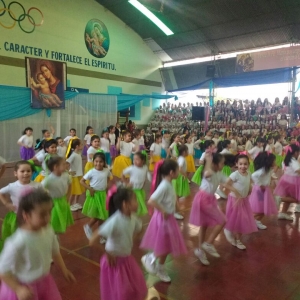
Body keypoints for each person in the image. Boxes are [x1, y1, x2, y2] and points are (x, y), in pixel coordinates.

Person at [0, 188, 75, 299]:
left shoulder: (48, 230)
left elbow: (55, 251)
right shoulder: (16, 242)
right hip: (24, 287)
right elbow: (3, 271)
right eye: (42, 214)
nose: (48, 218)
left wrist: (64, 270)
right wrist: (18, 289)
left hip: (44, 282)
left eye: (50, 212)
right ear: (26, 216)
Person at [89, 186, 147, 300]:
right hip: (114, 263)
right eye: (135, 200)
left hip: (126, 260)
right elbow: (92, 240)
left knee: (135, 288)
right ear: (125, 204)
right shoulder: (114, 221)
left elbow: (140, 229)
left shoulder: (133, 218)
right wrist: (107, 253)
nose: (138, 202)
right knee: (120, 292)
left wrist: (130, 240)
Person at [141, 159, 187, 283]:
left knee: (167, 244)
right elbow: (151, 200)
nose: (179, 172)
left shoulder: (169, 183)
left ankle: (160, 268)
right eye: (178, 170)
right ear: (172, 172)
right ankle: (150, 257)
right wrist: (163, 211)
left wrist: (177, 208)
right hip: (163, 219)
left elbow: (172, 198)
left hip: (169, 218)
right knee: (163, 242)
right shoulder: (164, 185)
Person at [190, 153, 231, 265]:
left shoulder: (219, 172)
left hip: (210, 199)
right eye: (222, 163)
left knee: (204, 225)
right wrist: (208, 161)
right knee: (223, 220)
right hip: (203, 199)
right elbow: (207, 173)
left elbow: (228, 180)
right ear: (215, 164)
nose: (223, 165)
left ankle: (200, 250)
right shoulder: (209, 172)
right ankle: (208, 244)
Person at [0, 161, 41, 250]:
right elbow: (1, 193)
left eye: (28, 171)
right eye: (22, 171)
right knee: (17, 236)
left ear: (32, 172)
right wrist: (6, 203)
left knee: (33, 235)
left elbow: (44, 195)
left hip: (32, 216)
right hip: (17, 216)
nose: (25, 173)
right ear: (15, 173)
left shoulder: (37, 185)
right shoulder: (12, 186)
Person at [224, 155, 258, 250]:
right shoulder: (235, 175)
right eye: (240, 164)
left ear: (248, 164)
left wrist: (250, 189)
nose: (243, 166)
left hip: (244, 200)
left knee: (242, 219)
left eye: (245, 164)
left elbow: (249, 182)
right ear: (236, 164)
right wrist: (235, 191)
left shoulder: (249, 173)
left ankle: (233, 235)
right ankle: (236, 238)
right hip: (235, 200)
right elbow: (226, 184)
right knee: (237, 219)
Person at [80, 152, 111, 242]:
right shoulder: (91, 172)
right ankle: (88, 226)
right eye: (96, 161)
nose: (98, 163)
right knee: (98, 215)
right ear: (93, 162)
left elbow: (108, 177)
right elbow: (81, 181)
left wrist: (106, 187)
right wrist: (90, 189)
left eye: (100, 161)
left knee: (102, 216)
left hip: (102, 194)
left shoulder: (106, 170)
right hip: (94, 195)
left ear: (104, 162)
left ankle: (101, 236)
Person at [42, 156, 74, 234]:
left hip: (62, 201)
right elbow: (40, 189)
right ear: (56, 167)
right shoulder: (48, 180)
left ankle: (55, 238)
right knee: (53, 222)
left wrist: (68, 196)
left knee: (60, 222)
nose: (66, 165)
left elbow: (70, 184)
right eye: (64, 164)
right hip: (53, 203)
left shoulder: (66, 175)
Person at [249, 152, 278, 229]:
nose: (275, 162)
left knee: (263, 208)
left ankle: (256, 221)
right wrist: (260, 184)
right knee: (261, 208)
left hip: (265, 190)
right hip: (260, 190)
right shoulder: (262, 170)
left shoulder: (267, 169)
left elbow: (271, 174)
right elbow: (253, 175)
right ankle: (251, 219)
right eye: (273, 160)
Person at [274, 144, 300, 220]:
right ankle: (280, 199)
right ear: (295, 152)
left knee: (289, 197)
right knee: (297, 199)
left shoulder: (286, 160)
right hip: (293, 182)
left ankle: (283, 213)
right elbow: (298, 170)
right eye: (298, 152)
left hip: (286, 180)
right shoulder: (293, 161)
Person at [66, 138, 85, 212]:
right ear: (77, 146)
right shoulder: (73, 155)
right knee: (73, 192)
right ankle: (69, 205)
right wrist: (68, 172)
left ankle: (75, 203)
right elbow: (67, 163)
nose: (82, 145)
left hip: (79, 175)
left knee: (79, 191)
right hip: (74, 176)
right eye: (81, 144)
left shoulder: (78, 153)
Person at [172, 145, 190, 219]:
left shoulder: (180, 158)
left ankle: (176, 210)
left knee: (177, 195)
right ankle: (174, 211)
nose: (188, 152)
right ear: (184, 152)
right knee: (176, 195)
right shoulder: (182, 159)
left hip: (179, 177)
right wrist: (184, 174)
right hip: (179, 177)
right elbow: (179, 168)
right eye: (187, 150)